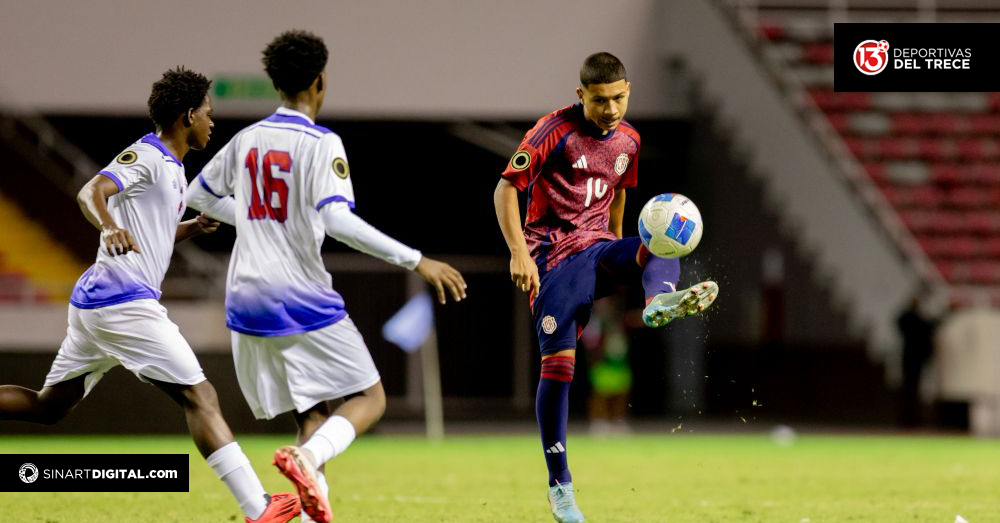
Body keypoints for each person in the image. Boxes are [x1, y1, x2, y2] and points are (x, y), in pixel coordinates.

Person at [185, 30, 467, 523]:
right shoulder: (321, 142)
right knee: (369, 397)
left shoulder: (246, 138)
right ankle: (308, 459)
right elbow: (337, 220)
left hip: (244, 299)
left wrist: (253, 217)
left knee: (313, 413)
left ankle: (308, 494)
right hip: (296, 294)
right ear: (320, 82)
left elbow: (199, 196)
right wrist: (416, 259)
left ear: (276, 84)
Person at [0, 68, 300, 523]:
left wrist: (192, 227)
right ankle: (259, 509)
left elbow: (152, 235)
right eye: (207, 114)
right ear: (187, 116)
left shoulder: (173, 170)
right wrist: (110, 225)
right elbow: (90, 191)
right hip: (122, 302)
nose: (212, 122)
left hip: (102, 302)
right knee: (200, 396)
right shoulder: (147, 155)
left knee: (49, 407)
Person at [493, 52, 719, 523]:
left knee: (662, 239)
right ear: (581, 96)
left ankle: (658, 300)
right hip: (552, 261)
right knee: (559, 369)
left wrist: (618, 251)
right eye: (600, 101)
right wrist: (517, 252)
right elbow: (505, 189)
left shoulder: (630, 140)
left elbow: (618, 192)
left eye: (618, 98)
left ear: (628, 90)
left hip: (598, 249)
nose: (611, 109)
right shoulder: (551, 131)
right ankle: (560, 487)